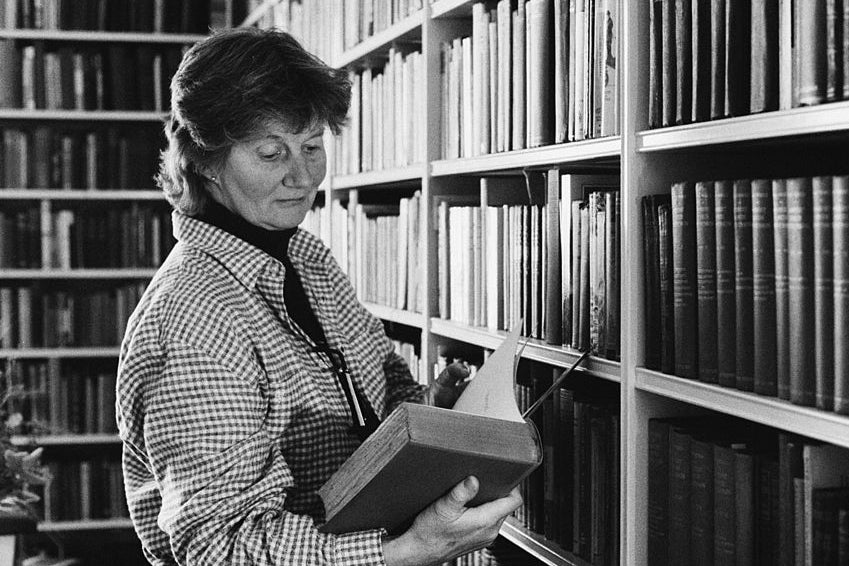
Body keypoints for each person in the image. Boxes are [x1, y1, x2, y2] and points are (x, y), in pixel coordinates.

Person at [116, 27, 521, 566]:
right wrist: (405, 551)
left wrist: (433, 415)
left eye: (311, 147)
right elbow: (221, 547)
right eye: (270, 153)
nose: (303, 177)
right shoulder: (191, 320)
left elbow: (375, 399)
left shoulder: (309, 259)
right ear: (206, 160)